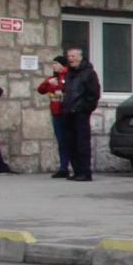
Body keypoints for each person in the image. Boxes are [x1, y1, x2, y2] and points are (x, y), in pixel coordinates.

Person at [57, 46, 100, 181]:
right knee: (70, 143)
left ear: (80, 57)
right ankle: (77, 171)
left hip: (80, 113)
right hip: (68, 113)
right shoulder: (69, 74)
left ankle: (85, 172)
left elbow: (93, 94)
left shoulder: (89, 73)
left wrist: (85, 108)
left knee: (82, 143)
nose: (70, 59)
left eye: (73, 56)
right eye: (69, 56)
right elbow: (67, 92)